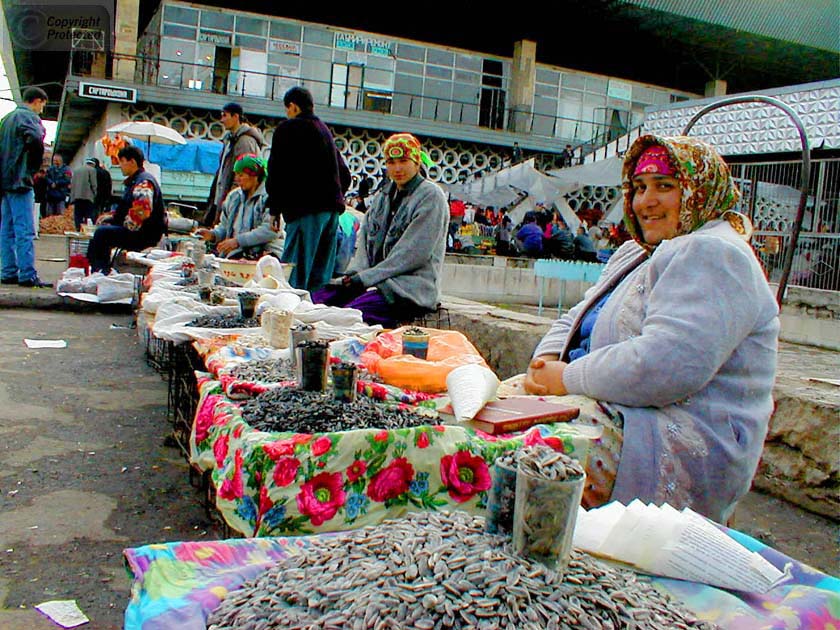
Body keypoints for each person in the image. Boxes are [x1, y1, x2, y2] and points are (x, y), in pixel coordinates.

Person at [522, 135, 779, 523]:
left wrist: (568, 377)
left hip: (671, 435)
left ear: (699, 190)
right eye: (640, 188)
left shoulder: (716, 253)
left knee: (519, 458)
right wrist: (543, 365)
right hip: (610, 408)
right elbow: (576, 315)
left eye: (665, 187)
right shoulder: (637, 252)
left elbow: (666, 365)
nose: (646, 201)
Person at [310, 133, 448, 327]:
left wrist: (366, 278)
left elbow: (412, 254)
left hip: (407, 289)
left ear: (417, 162)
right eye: (391, 162)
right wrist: (356, 274)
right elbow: (366, 238)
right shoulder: (384, 194)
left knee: (351, 316)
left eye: (403, 161)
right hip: (374, 281)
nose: (397, 168)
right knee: (316, 300)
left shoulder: (431, 196)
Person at [266, 86, 351, 292]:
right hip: (331, 212)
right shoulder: (324, 130)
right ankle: (314, 320)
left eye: (287, 109)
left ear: (293, 107)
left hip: (305, 210)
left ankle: (289, 319)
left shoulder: (288, 129)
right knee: (319, 279)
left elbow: (277, 171)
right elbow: (345, 175)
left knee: (293, 278)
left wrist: (275, 209)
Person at [86, 145, 166, 274]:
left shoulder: (143, 182)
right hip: (140, 230)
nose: (120, 165)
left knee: (102, 234)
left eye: (122, 161)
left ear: (132, 162)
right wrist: (112, 218)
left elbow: (141, 212)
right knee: (103, 231)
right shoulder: (136, 180)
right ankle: (97, 269)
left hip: (144, 234)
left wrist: (123, 227)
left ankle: (100, 272)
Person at [0, 86, 50, 287]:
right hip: (21, 181)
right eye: (43, 106)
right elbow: (37, 138)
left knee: (6, 229)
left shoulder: (6, 120)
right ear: (36, 101)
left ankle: (7, 271)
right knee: (25, 230)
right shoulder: (28, 117)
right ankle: (27, 274)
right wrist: (33, 168)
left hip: (5, 182)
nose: (42, 111)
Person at [196, 154, 284, 260]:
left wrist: (238, 241)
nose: (237, 179)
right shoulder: (233, 197)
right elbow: (225, 227)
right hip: (239, 254)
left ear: (255, 176)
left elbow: (271, 230)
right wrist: (212, 235)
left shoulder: (270, 198)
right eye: (236, 174)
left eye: (241, 175)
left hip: (266, 254)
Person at [203, 102, 266, 227]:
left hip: (235, 200)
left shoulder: (244, 141)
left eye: (225, 116)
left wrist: (233, 199)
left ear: (236, 116)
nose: (222, 120)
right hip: (224, 197)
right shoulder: (230, 139)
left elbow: (246, 175)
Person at [70, 158, 98, 229]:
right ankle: (86, 229)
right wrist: (95, 193)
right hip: (88, 197)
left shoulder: (76, 170)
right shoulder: (92, 170)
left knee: (78, 215)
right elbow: (93, 183)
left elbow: (73, 184)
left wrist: (72, 197)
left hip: (77, 196)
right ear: (93, 164)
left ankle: (78, 229)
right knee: (88, 215)